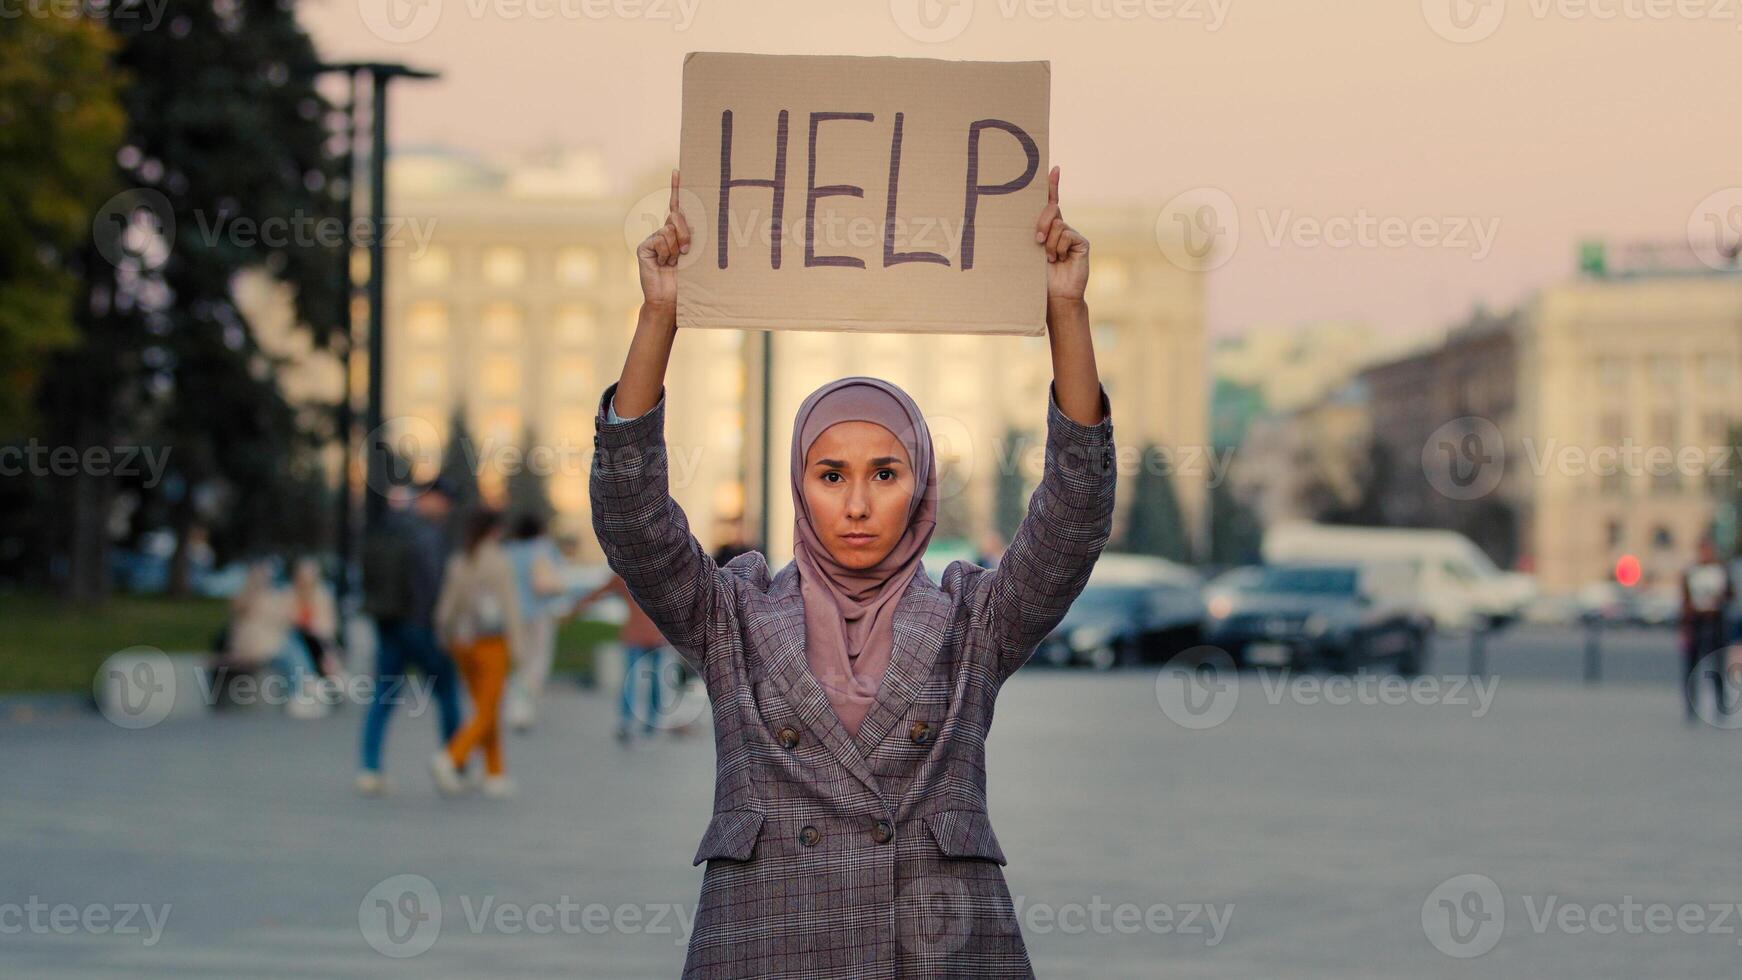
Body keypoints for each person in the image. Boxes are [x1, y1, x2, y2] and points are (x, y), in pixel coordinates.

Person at [589, 167, 1114, 978]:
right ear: (799, 484)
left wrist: (1065, 313)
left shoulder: (973, 622)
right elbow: (632, 521)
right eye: (831, 475)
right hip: (771, 943)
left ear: (922, 485)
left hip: (933, 950)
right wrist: (660, 313)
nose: (859, 504)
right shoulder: (731, 619)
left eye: (886, 473)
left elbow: (1073, 520)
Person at [356, 479, 464, 796]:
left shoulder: (390, 526)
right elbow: (433, 583)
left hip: (388, 621)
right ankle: (453, 762)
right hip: (421, 626)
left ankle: (369, 768)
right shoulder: (427, 534)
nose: (448, 508)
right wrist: (440, 623)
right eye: (445, 500)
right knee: (447, 694)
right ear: (430, 498)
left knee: (383, 696)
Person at [431, 508, 525, 797]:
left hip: (463, 643)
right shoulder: (498, 562)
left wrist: (444, 636)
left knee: (486, 709)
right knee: (487, 710)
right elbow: (510, 607)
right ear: (494, 531)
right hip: (491, 643)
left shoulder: (460, 561)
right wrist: (518, 646)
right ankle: (451, 757)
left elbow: (447, 608)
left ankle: (494, 773)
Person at [570, 572, 675, 741]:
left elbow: (598, 593)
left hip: (645, 636)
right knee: (648, 680)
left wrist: (573, 611)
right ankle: (647, 722)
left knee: (633, 680)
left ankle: (631, 722)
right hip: (651, 635)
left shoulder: (627, 572)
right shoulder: (655, 573)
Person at [503, 513, 569, 732]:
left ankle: (515, 708)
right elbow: (555, 578)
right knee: (538, 662)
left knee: (519, 661)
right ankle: (525, 709)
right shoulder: (543, 548)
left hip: (513, 615)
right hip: (539, 613)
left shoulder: (509, 551)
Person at [1680, 534, 1733, 721]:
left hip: (1715, 621)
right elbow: (1684, 601)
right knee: (1692, 668)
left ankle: (1720, 705)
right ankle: (1691, 707)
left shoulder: (1720, 570)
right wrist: (1685, 626)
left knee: (1717, 667)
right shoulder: (1691, 572)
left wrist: (1717, 601)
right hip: (1696, 622)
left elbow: (1729, 595)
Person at [289, 557, 342, 678]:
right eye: (303, 575)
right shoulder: (289, 594)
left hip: (317, 642)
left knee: (324, 647)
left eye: (309, 575)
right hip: (299, 640)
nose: (306, 579)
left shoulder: (322, 596)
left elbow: (329, 627)